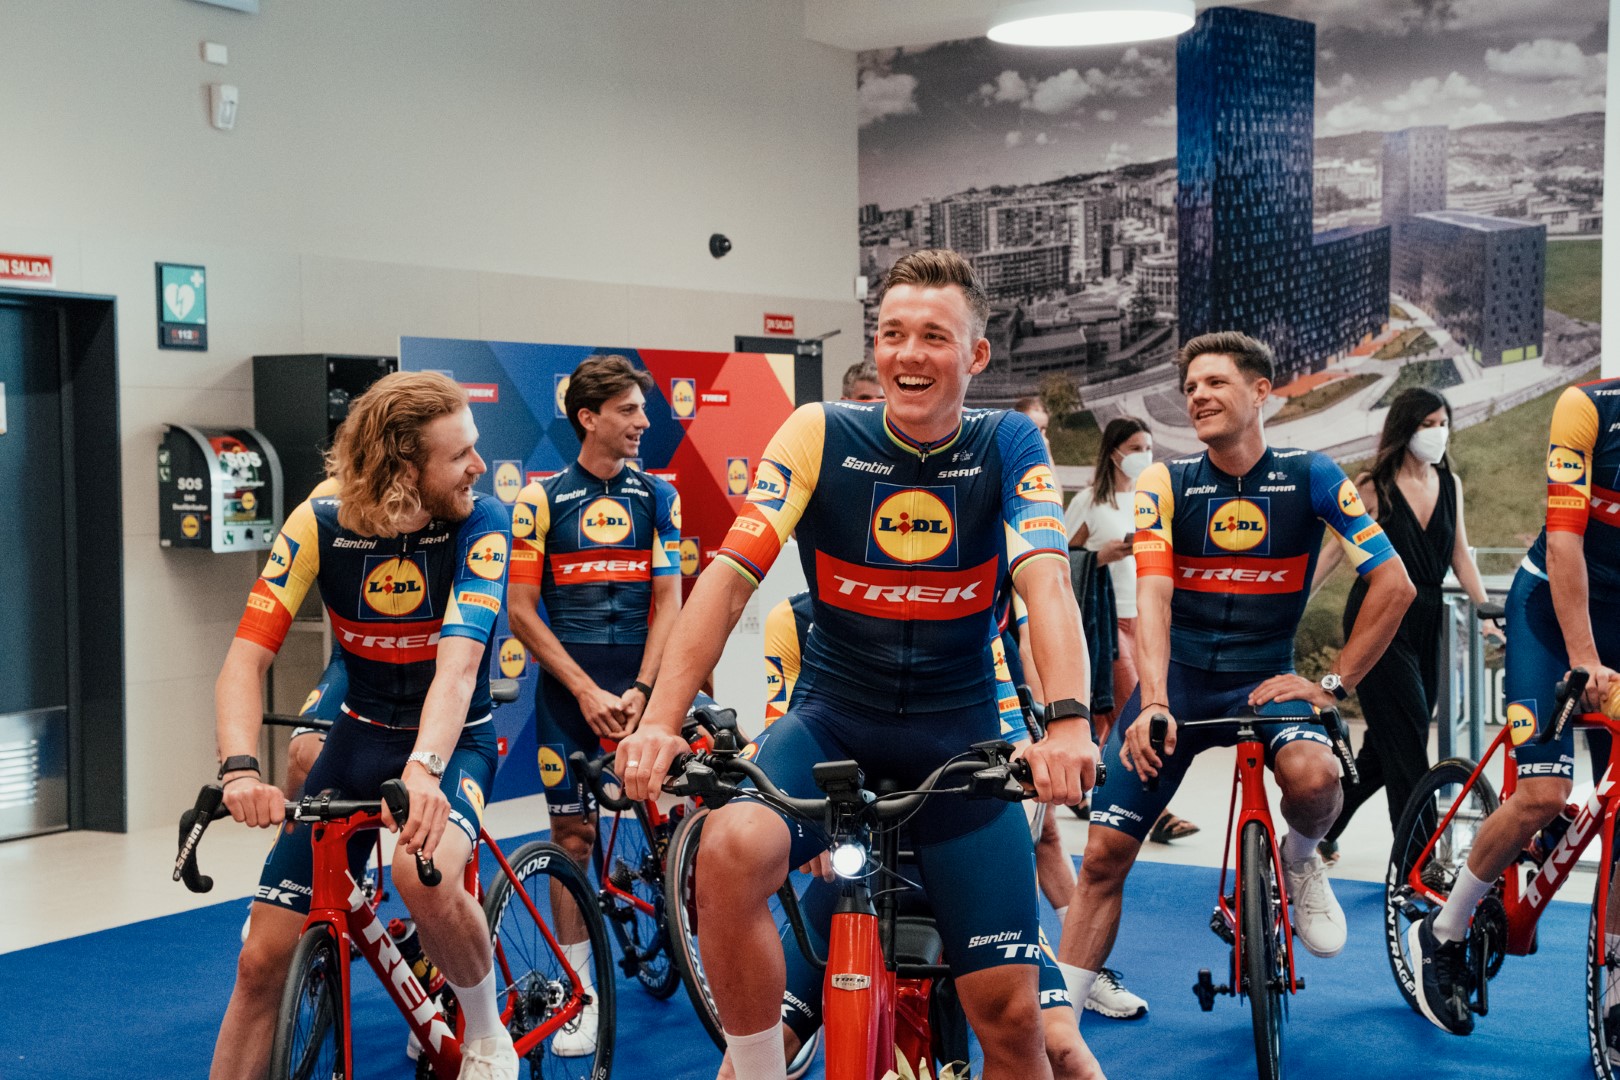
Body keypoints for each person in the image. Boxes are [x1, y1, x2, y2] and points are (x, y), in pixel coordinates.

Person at [617, 248, 1100, 1080]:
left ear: (976, 355)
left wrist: (1068, 724)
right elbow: (727, 579)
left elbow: (1046, 583)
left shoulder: (1009, 441)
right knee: (728, 850)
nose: (909, 353)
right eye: (892, 333)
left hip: (960, 744)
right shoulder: (820, 432)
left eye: (935, 337)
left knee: (1014, 1024)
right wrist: (660, 722)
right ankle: (759, 1071)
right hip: (833, 726)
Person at [1064, 331, 1415, 1074]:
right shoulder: (1167, 483)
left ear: (1261, 392)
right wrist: (1153, 700)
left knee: (1317, 780)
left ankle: (1300, 858)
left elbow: (1395, 584)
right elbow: (1154, 595)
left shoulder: (1312, 476)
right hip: (1180, 685)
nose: (1198, 396)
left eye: (1216, 382)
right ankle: (1058, 1028)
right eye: (1190, 386)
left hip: (1267, 682)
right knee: (1101, 857)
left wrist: (1332, 685)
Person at [210, 371, 517, 1080]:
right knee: (259, 961)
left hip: (454, 741)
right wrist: (239, 769)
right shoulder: (319, 520)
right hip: (359, 734)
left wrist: (424, 770)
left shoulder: (482, 521)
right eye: (460, 454)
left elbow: (458, 670)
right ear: (403, 467)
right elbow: (244, 659)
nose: (479, 465)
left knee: (418, 873)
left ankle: (484, 1030)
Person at [727, 591, 1095, 1080]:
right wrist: (804, 823)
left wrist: (1033, 769)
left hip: (968, 864)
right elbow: (786, 737)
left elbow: (1009, 731)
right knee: (739, 1067)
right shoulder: (791, 620)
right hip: (859, 873)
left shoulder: (962, 606)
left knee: (1065, 1052)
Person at [1409, 376, 1620, 1037]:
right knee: (1544, 794)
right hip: (1552, 613)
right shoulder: (1589, 408)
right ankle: (1442, 932)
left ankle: (1617, 981)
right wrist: (1583, 657)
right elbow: (1564, 542)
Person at [506, 353, 682, 1054]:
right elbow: (521, 610)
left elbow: (670, 601)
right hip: (569, 692)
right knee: (573, 838)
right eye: (629, 410)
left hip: (640, 685)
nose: (644, 421)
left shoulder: (658, 496)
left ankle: (686, 927)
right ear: (589, 417)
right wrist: (584, 689)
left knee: (684, 818)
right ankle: (579, 993)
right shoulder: (539, 500)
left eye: (643, 409)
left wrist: (642, 688)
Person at [1310, 388, 1494, 862]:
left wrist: (1485, 610)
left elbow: (1459, 554)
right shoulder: (1373, 485)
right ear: (1405, 428)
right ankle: (1418, 862)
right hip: (1378, 615)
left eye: (1443, 423)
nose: (1438, 432)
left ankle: (1315, 830)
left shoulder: (1449, 483)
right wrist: (1292, 603)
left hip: (1428, 616)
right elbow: (1333, 553)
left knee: (1385, 746)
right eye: (1428, 424)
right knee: (1410, 739)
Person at [1066, 417, 1199, 851]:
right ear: (1114, 452)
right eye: (1136, 448)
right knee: (1132, 709)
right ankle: (1156, 813)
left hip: (1147, 619)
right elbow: (1058, 559)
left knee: (1112, 717)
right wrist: (1100, 556)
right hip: (1108, 621)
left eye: (1149, 447)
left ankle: (1087, 787)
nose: (1145, 455)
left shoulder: (1152, 500)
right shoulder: (1089, 502)